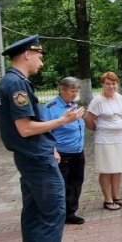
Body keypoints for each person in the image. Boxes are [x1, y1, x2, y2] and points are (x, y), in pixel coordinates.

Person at [0, 35, 82, 242]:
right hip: (37, 162)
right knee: (52, 216)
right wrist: (62, 120)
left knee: (33, 216)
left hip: (31, 158)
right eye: (40, 56)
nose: (42, 62)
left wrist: (50, 145)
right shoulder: (16, 85)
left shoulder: (9, 83)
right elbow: (25, 128)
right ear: (27, 55)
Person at [41, 77, 87, 225]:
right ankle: (57, 215)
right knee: (60, 185)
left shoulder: (73, 105)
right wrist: (53, 151)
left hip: (77, 152)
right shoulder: (51, 108)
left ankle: (70, 213)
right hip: (62, 153)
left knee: (75, 183)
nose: (75, 94)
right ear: (62, 89)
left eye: (77, 91)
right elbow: (45, 132)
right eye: (72, 91)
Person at [85, 72, 122, 210]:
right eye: (108, 83)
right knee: (106, 169)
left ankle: (116, 196)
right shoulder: (98, 100)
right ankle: (108, 199)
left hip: (120, 139)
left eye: (113, 83)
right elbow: (88, 119)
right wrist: (99, 129)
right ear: (102, 85)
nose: (111, 86)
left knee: (117, 168)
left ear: (117, 84)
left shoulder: (120, 97)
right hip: (105, 140)